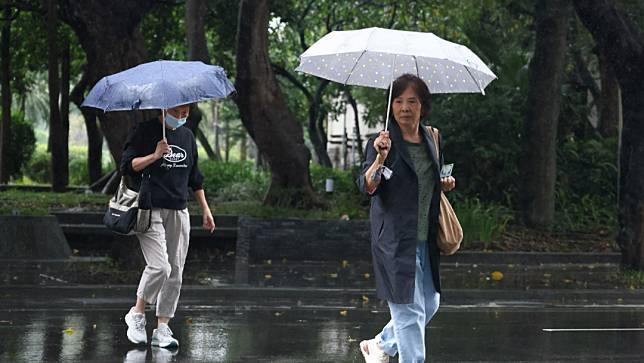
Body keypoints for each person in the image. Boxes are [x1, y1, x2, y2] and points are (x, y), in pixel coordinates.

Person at [357, 74, 456, 363]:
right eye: (398, 101)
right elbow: (368, 186)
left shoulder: (432, 138)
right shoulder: (381, 142)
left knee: (430, 303)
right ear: (391, 106)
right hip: (394, 239)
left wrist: (443, 183)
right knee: (410, 311)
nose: (404, 107)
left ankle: (380, 345)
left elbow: (428, 180)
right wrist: (379, 158)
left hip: (425, 237)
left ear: (423, 106)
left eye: (412, 101)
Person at [120, 104, 216, 348]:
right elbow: (127, 166)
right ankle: (137, 313)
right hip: (149, 208)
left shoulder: (187, 136)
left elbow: (195, 177)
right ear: (164, 109)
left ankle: (162, 327)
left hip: (178, 209)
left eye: (186, 113)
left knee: (175, 270)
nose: (182, 117)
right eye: (178, 112)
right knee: (160, 266)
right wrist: (154, 155)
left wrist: (205, 208)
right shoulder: (143, 131)